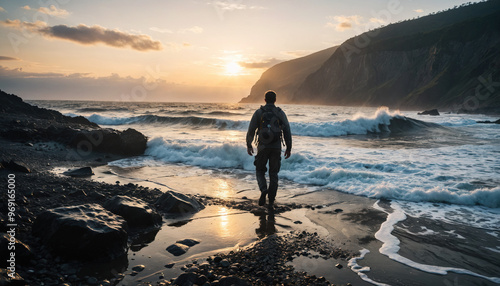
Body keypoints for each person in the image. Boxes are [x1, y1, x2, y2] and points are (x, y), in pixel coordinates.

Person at [246, 90, 292, 211]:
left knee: (260, 170)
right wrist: (289, 147)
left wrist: (249, 144)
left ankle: (263, 189)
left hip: (262, 147)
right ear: (275, 100)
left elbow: (251, 130)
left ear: (265, 99)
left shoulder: (259, 112)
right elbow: (287, 130)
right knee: (273, 174)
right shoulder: (280, 113)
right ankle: (271, 201)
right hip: (276, 147)